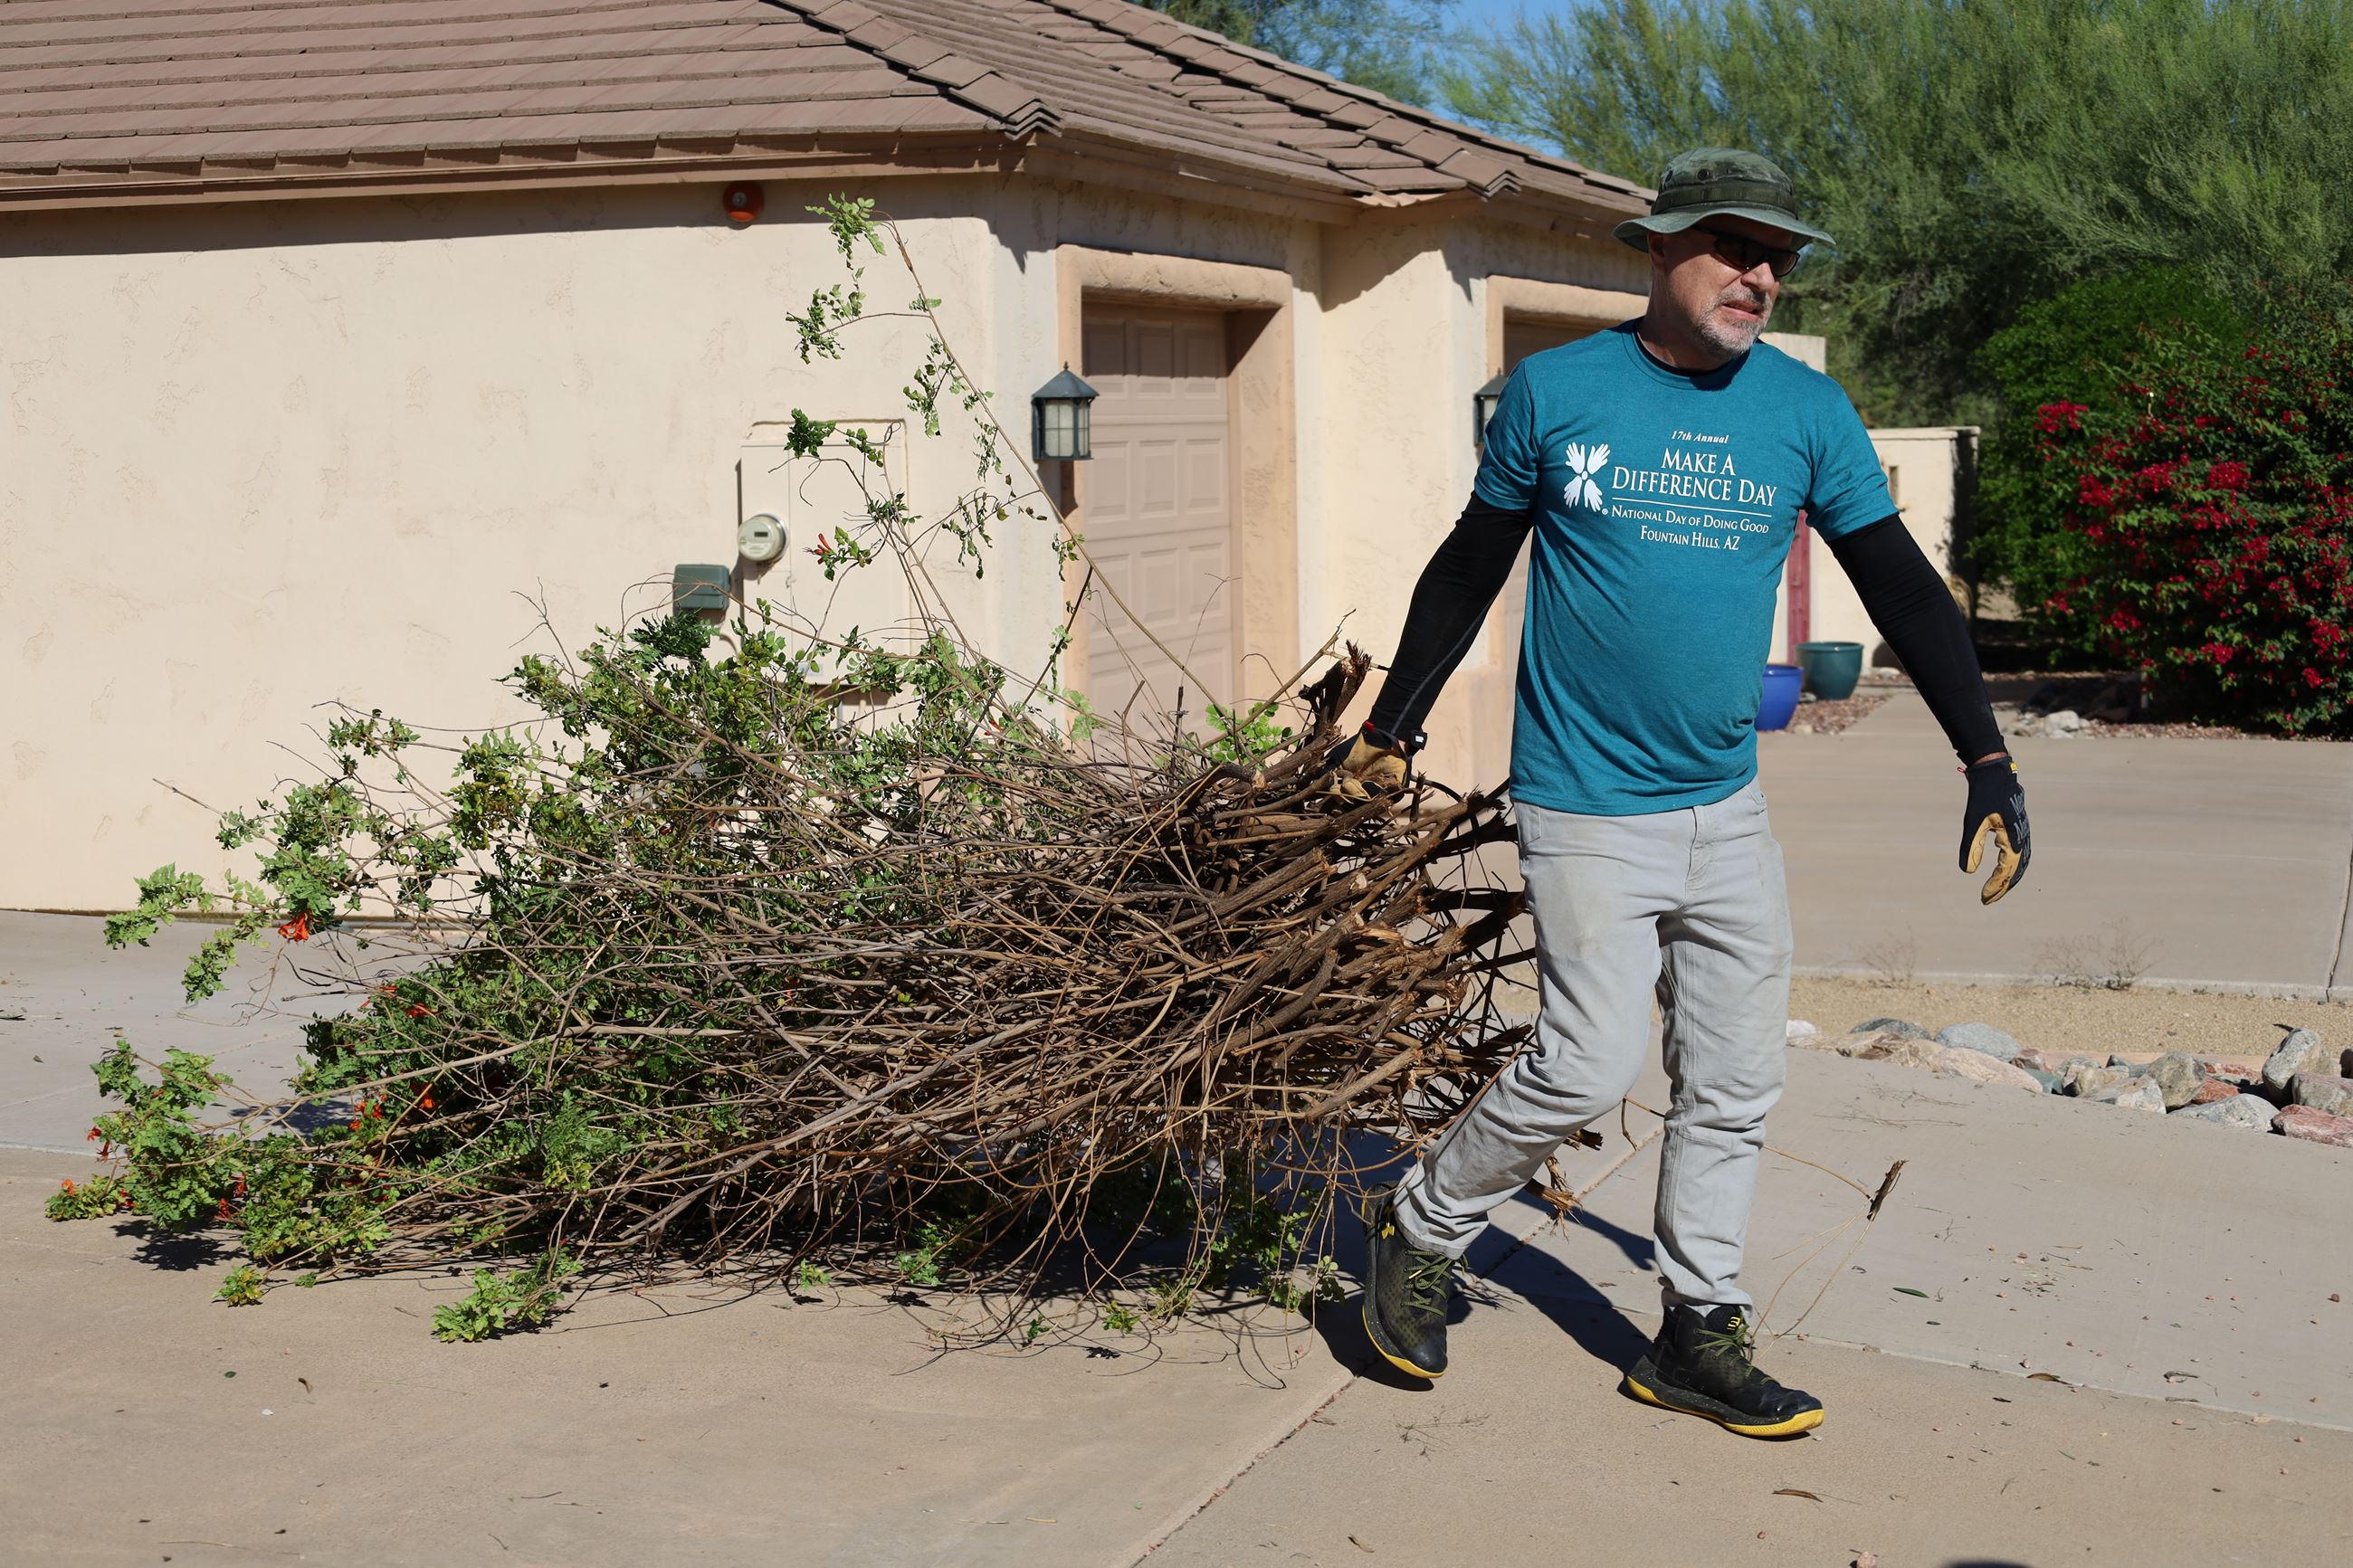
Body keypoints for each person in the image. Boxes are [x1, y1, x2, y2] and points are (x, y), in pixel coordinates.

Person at [1329, 148, 2028, 1439]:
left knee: (1737, 1072)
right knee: (1589, 1060)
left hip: (1727, 804)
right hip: (1587, 800)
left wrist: (1986, 756)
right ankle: (1418, 1227)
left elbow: (1902, 587)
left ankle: (1696, 1326)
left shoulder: (1804, 414)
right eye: (1734, 246)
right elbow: (1471, 561)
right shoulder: (1558, 394)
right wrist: (1392, 723)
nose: (1761, 274)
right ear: (1656, 248)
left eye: (1780, 256)